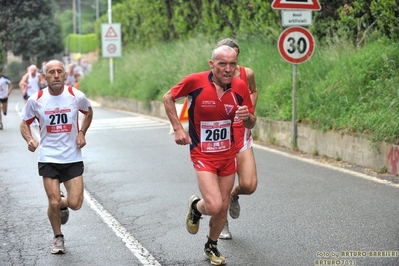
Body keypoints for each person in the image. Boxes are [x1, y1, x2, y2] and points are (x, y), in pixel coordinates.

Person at [163, 45, 256, 265]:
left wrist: (246, 117)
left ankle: (211, 245)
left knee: (223, 205)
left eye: (233, 64)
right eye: (222, 63)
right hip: (202, 154)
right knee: (213, 205)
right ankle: (196, 207)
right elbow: (168, 98)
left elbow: (252, 120)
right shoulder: (195, 82)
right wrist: (178, 128)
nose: (228, 69)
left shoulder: (240, 86)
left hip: (227, 155)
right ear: (212, 64)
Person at [20, 59, 93, 254]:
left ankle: (62, 203)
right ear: (44, 77)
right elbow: (24, 123)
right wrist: (29, 140)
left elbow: (89, 112)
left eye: (59, 71)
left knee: (76, 203)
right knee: (52, 202)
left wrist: (82, 133)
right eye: (51, 72)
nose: (56, 75)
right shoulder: (36, 100)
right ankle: (58, 237)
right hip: (48, 157)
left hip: (72, 157)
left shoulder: (76, 96)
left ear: (65, 75)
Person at [215, 38, 259, 240]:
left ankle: (234, 195)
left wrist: (249, 112)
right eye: (225, 61)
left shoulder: (246, 74)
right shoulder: (214, 77)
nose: (229, 66)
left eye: (234, 60)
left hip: (242, 134)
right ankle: (222, 225)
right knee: (220, 186)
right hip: (221, 138)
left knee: (249, 185)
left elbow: (253, 90)